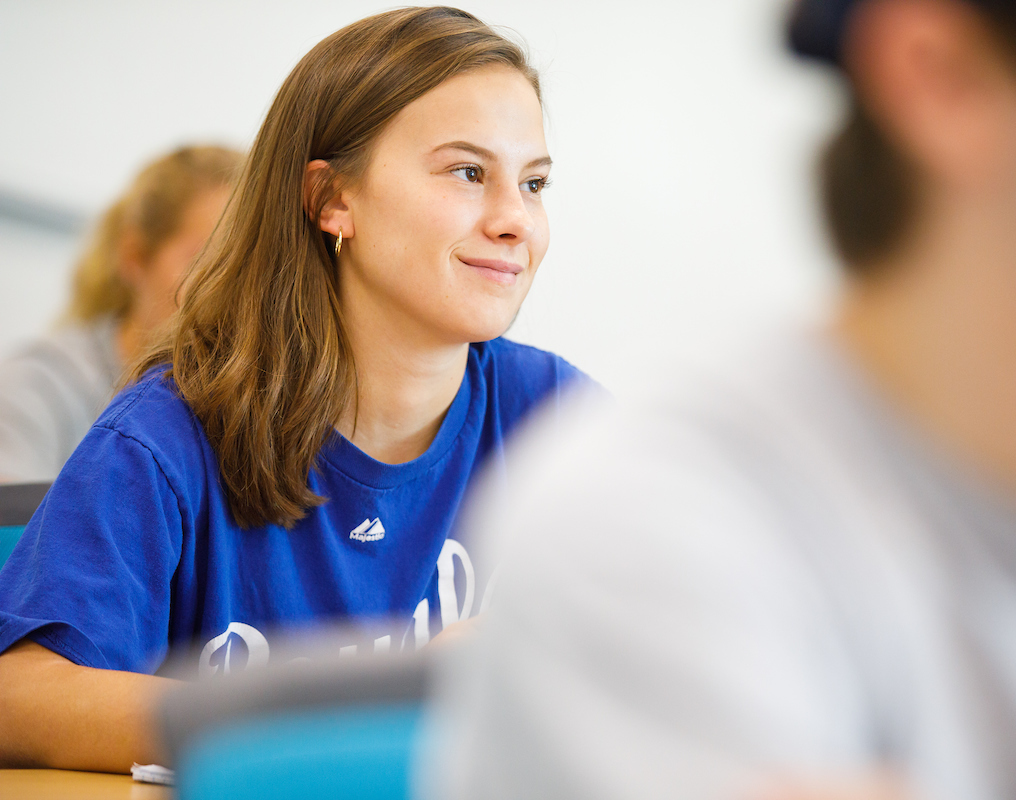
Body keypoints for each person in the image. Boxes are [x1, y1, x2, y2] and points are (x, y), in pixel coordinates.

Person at [432, 1, 1016, 799]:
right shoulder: (649, 535)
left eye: (535, 184)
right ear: (949, 79)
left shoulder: (549, 404)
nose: (513, 222)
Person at [0, 6, 587, 773]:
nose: (517, 219)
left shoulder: (561, 419)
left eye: (534, 182)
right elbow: (20, 695)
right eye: (468, 172)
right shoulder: (167, 433)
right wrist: (344, 713)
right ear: (331, 200)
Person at [0, 145, 240, 482]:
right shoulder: (38, 388)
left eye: (240, 270)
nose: (224, 291)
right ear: (136, 257)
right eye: (202, 262)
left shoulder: (239, 409)